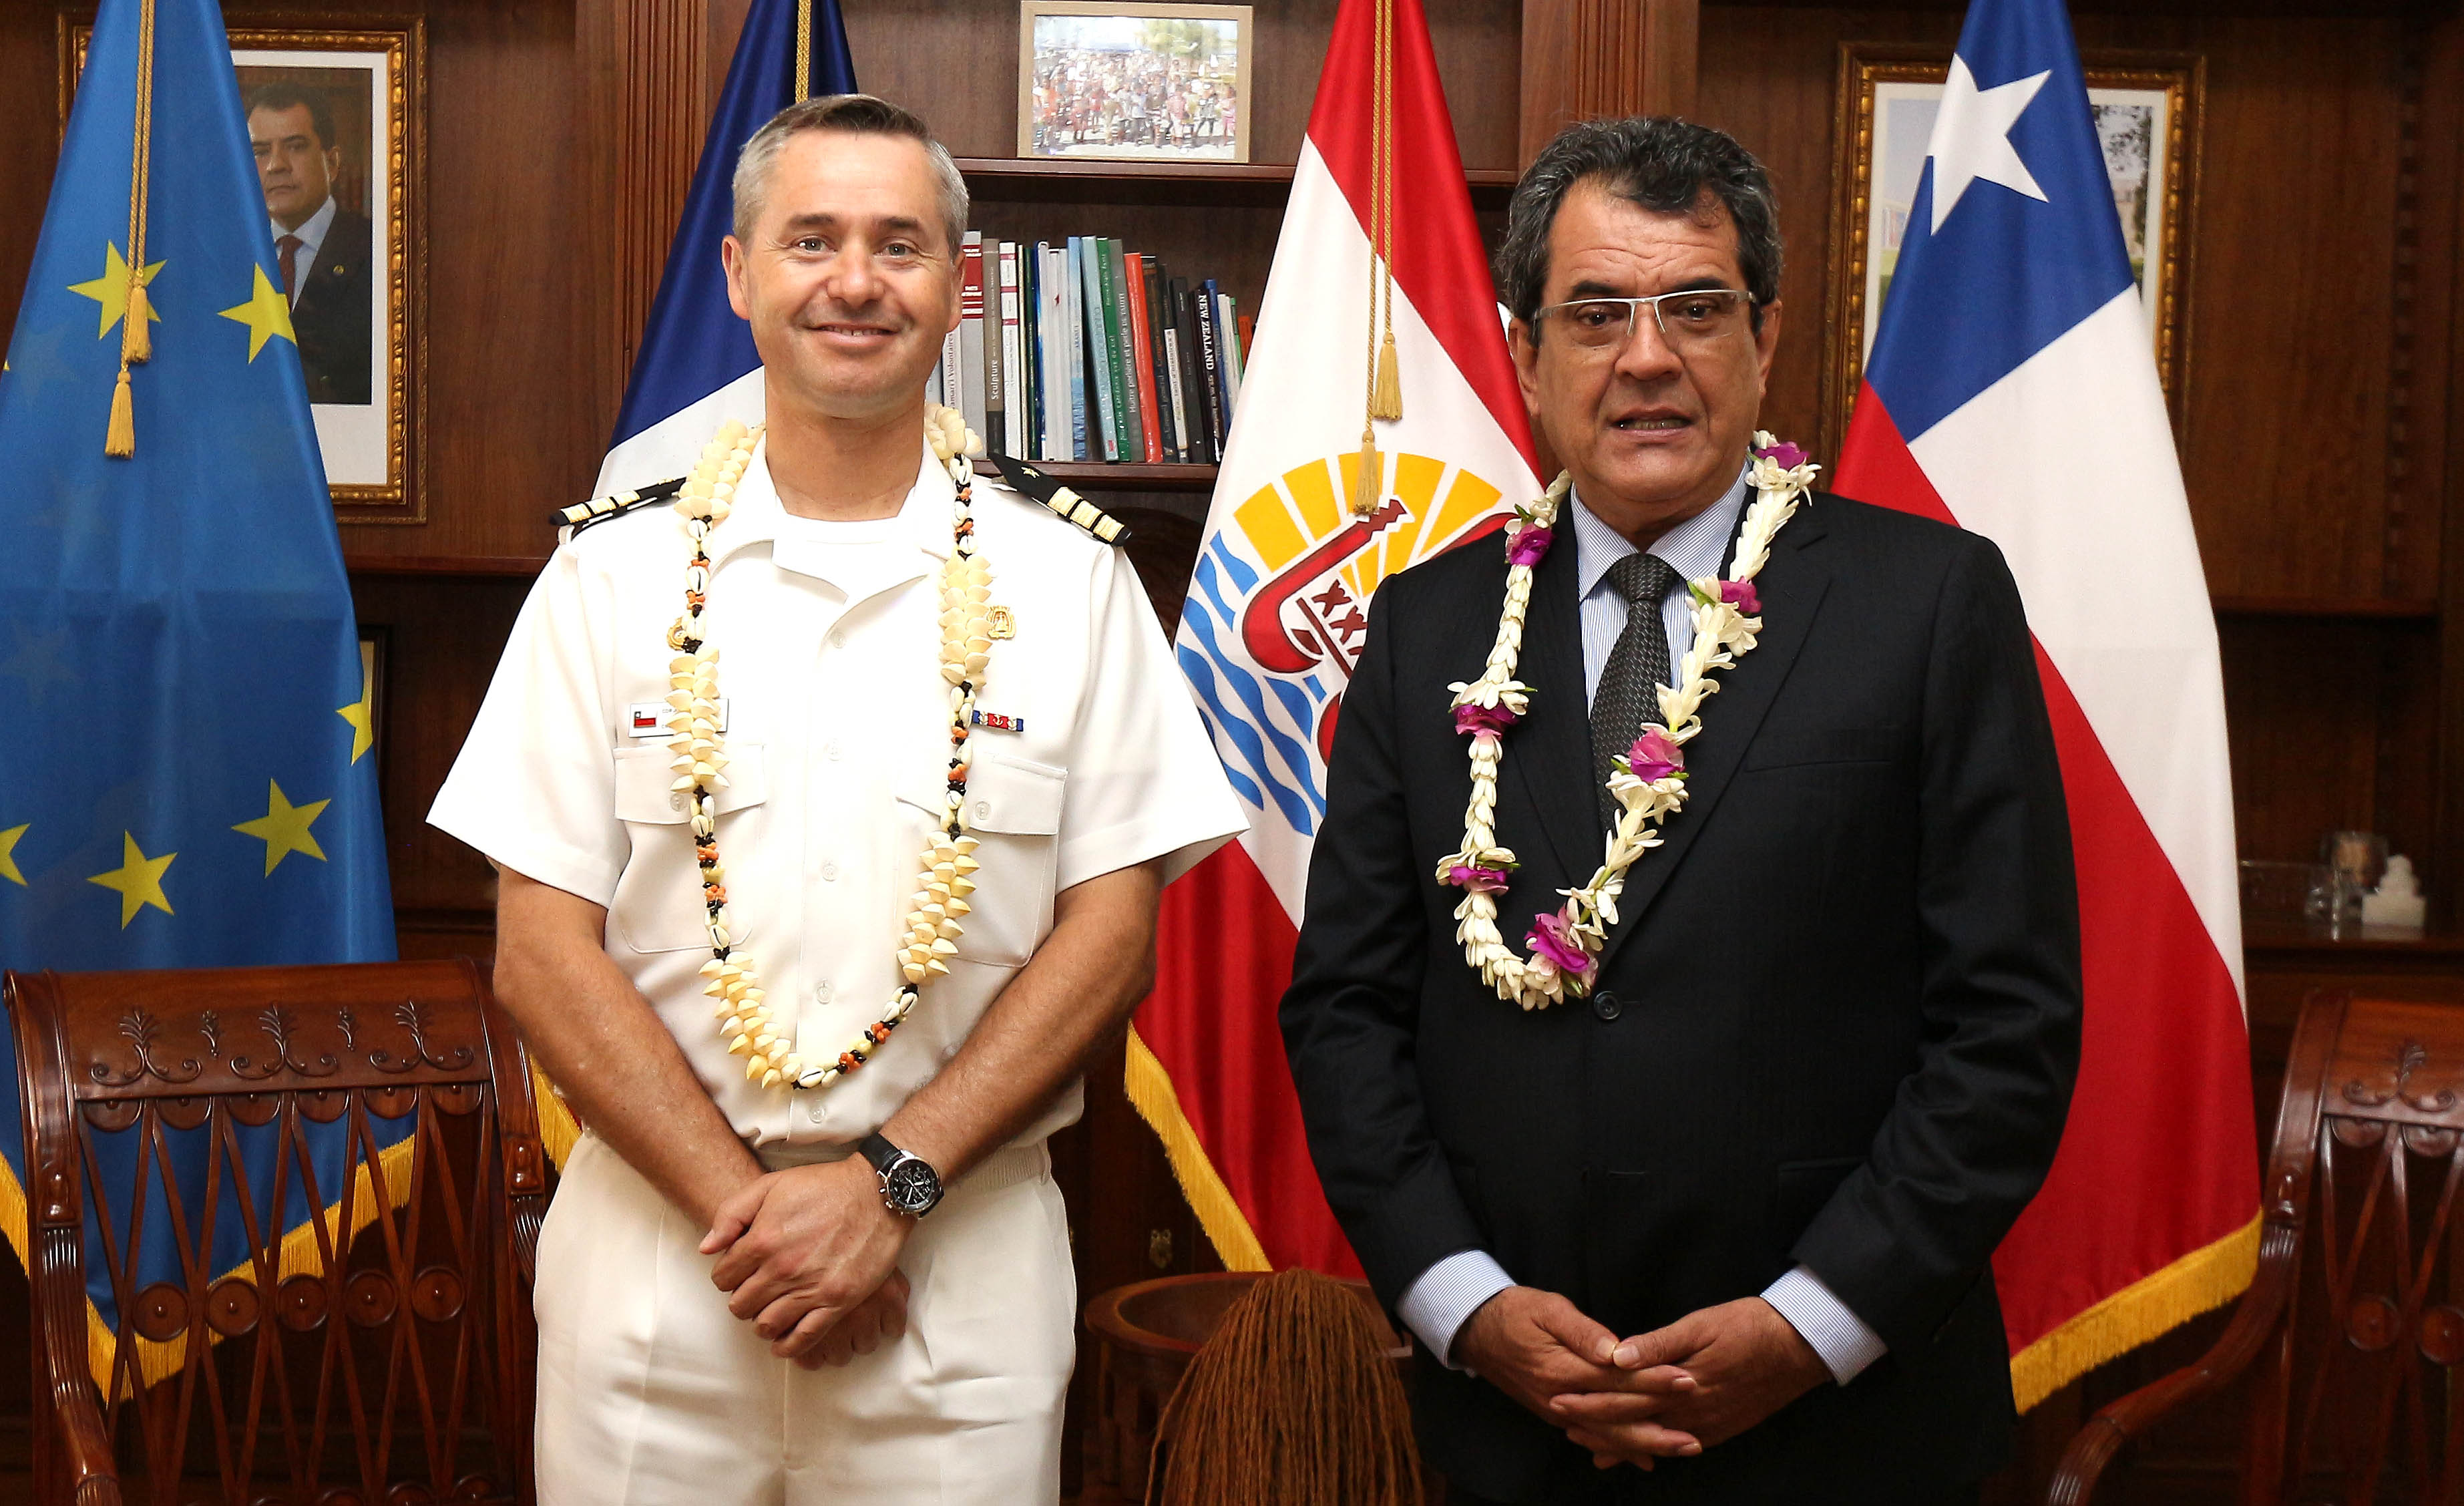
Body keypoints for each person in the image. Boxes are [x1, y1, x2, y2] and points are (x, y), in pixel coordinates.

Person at [431, 93, 1242, 1504]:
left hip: (960, 1268)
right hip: (654, 1266)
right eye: (812, 240)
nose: (855, 281)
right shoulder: (609, 577)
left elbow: (1112, 930)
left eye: (899, 244)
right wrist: (752, 1217)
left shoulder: (1074, 582)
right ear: (741, 277)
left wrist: (886, 1189)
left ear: (956, 287)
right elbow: (538, 947)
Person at [1279, 116, 2081, 1505]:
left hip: (1847, 1426)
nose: (1646, 356)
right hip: (1510, 1420)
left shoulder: (1930, 602)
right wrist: (1467, 1304)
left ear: (1764, 338)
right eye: (1596, 313)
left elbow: (2007, 1025)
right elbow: (1346, 1008)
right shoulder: (1425, 628)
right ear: (1526, 354)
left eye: (1694, 308)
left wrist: (1810, 1324)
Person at [245, 82, 371, 404]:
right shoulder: (228, 258)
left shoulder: (379, 253)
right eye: (260, 152)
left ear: (332, 162)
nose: (276, 166)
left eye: (296, 146)